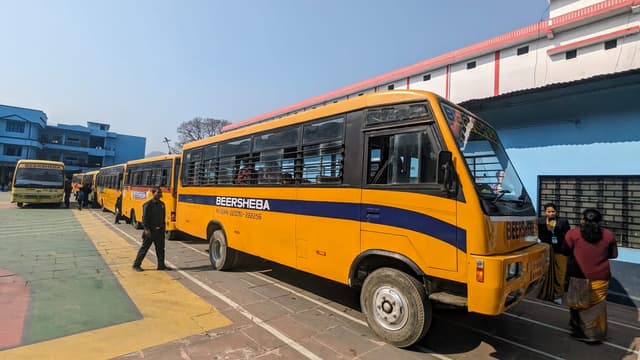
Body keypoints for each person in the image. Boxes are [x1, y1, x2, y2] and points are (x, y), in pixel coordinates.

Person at [562, 208, 618, 343]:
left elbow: (564, 251)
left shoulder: (572, 234)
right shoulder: (609, 235)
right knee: (597, 306)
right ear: (600, 221)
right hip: (601, 276)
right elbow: (614, 255)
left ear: (582, 219)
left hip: (577, 275)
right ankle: (594, 333)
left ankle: (581, 332)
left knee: (577, 304)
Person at [537, 203, 571, 303]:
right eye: (549, 211)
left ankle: (558, 295)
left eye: (553, 211)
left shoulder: (563, 221)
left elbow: (567, 235)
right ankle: (545, 293)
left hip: (560, 250)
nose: (551, 213)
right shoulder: (540, 221)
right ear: (545, 212)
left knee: (560, 273)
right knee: (545, 272)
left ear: (556, 212)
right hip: (546, 250)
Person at [132, 187, 171, 271]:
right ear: (153, 193)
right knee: (144, 248)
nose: (160, 194)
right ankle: (136, 265)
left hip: (159, 231)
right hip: (150, 231)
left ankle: (161, 265)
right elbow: (144, 218)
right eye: (158, 192)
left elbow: (163, 217)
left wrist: (163, 228)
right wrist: (146, 229)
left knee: (160, 249)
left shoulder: (162, 204)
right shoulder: (148, 205)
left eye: (161, 192)